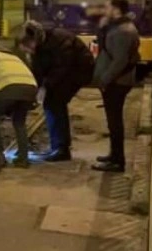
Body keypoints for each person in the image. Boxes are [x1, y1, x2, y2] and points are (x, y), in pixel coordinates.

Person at [17, 21, 95, 162]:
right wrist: (35, 89)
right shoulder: (40, 46)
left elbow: (62, 67)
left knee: (55, 103)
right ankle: (58, 147)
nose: (28, 52)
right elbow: (38, 71)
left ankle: (61, 148)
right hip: (63, 73)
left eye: (28, 48)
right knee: (52, 104)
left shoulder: (59, 39)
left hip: (77, 71)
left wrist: (46, 86)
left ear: (33, 40)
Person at [91, 0, 140, 173]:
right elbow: (104, 45)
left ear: (116, 9)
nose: (105, 10)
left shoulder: (124, 31)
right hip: (115, 81)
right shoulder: (116, 27)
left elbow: (120, 61)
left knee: (115, 121)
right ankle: (114, 155)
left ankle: (118, 161)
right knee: (112, 121)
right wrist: (102, 26)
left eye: (107, 7)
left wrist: (105, 79)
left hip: (117, 82)